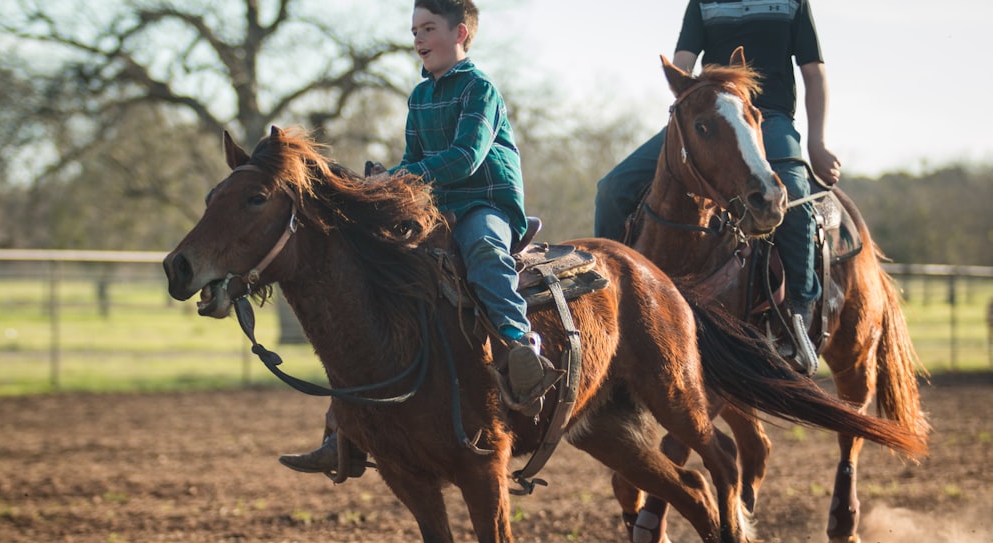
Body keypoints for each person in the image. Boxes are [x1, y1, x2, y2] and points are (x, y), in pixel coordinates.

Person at [279, 0, 548, 476]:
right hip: (437, 207)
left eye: (428, 29)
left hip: (483, 202)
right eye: (414, 30)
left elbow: (465, 158)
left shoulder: (480, 89)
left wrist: (399, 176)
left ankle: (517, 344)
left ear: (460, 33)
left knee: (484, 249)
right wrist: (389, 183)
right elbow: (414, 157)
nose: (418, 39)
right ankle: (343, 427)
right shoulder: (419, 97)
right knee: (376, 267)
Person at [595, 0, 841, 373]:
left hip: (767, 119)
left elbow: (813, 73)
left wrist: (817, 143)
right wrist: (690, 105)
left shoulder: (793, 3)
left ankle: (798, 317)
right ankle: (606, 303)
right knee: (612, 189)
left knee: (793, 201)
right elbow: (683, 62)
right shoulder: (704, 3)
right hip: (709, 112)